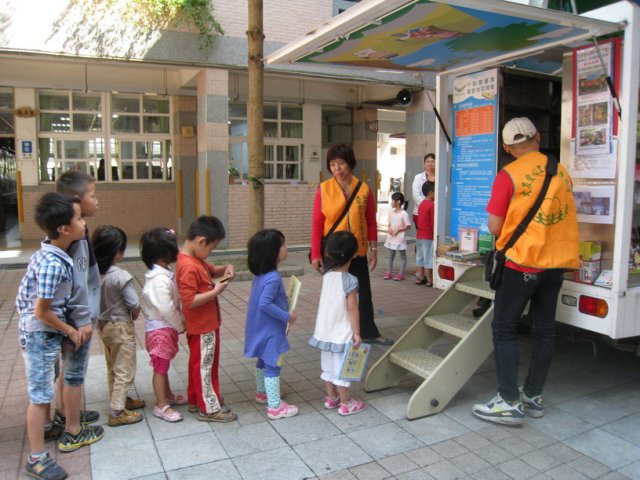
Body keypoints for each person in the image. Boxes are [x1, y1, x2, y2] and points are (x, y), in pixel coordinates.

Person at [472, 117, 579, 425]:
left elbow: (494, 225)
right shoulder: (561, 172)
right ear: (538, 136)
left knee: (504, 329)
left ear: (507, 147)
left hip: (521, 265)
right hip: (555, 265)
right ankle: (533, 397)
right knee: (544, 331)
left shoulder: (508, 174)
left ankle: (507, 401)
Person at [16, 192, 88, 480]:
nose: (84, 223)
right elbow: (41, 311)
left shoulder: (52, 253)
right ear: (63, 228)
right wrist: (70, 329)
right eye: (79, 218)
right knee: (40, 396)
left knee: (42, 393)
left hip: (43, 335)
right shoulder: (52, 263)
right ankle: (36, 458)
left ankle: (43, 434)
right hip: (38, 336)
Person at [310, 144, 392, 346]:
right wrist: (315, 254)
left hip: (358, 251)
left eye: (341, 163)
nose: (337, 168)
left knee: (363, 293)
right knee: (335, 295)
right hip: (333, 252)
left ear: (350, 164)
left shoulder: (364, 189)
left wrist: (374, 249)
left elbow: (371, 221)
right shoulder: (324, 189)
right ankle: (336, 334)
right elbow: (317, 223)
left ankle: (368, 332)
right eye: (332, 164)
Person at [54, 170, 104, 453]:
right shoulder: (77, 239)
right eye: (93, 195)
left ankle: (66, 413)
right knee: (74, 373)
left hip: (73, 319)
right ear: (75, 200)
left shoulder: (70, 235)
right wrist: (83, 320)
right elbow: (78, 285)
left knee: (70, 370)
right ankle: (72, 430)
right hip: (77, 321)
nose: (97, 201)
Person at [176, 216, 238, 422]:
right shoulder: (188, 266)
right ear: (201, 241)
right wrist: (216, 291)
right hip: (203, 326)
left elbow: (211, 270)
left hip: (205, 325)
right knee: (205, 365)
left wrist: (226, 268)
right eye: (212, 248)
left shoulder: (195, 259)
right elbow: (189, 300)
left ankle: (197, 399)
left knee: (200, 363)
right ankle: (209, 408)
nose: (211, 253)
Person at [309, 231, 366, 416]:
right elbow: (352, 309)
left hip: (324, 331)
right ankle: (345, 403)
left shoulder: (327, 276)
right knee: (342, 367)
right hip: (341, 332)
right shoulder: (350, 280)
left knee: (327, 366)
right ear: (354, 253)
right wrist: (356, 333)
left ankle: (331, 398)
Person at [92, 225, 144, 427]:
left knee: (112, 367)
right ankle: (116, 412)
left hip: (103, 327)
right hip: (121, 326)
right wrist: (136, 314)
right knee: (125, 370)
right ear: (117, 252)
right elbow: (134, 304)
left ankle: (120, 401)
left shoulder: (93, 274)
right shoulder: (121, 276)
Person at [244, 229, 299, 420]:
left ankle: (262, 393)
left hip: (259, 327)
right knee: (274, 365)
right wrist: (287, 316)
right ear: (273, 252)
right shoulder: (273, 278)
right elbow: (265, 304)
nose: (286, 248)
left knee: (262, 360)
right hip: (271, 329)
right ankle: (275, 406)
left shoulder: (261, 275)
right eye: (282, 245)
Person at [140, 228, 187, 423]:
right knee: (160, 368)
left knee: (163, 366)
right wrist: (180, 324)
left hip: (163, 328)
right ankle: (161, 404)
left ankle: (167, 396)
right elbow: (167, 308)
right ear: (164, 254)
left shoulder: (163, 274)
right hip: (160, 329)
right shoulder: (159, 281)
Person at [383, 191, 411, 281]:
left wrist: (399, 230)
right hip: (391, 237)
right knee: (391, 254)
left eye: (392, 201)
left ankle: (401, 274)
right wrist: (389, 229)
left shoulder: (404, 214)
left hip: (399, 238)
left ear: (398, 202)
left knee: (402, 255)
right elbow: (389, 223)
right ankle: (388, 272)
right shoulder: (391, 212)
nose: (391, 203)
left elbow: (408, 226)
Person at [415, 181, 435, 287]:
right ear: (431, 192)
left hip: (419, 234)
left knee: (420, 257)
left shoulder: (421, 204)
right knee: (428, 257)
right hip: (428, 235)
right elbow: (432, 222)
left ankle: (420, 277)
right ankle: (430, 280)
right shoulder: (432, 205)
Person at [411, 153, 436, 225]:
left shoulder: (439, 177)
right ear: (424, 164)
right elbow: (416, 195)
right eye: (428, 161)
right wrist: (427, 206)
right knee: (423, 234)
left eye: (432, 161)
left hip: (435, 211)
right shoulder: (418, 177)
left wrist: (434, 206)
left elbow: (444, 193)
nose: (430, 163)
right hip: (420, 212)